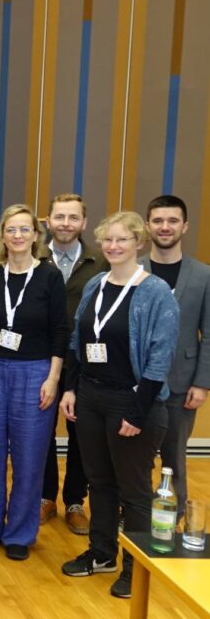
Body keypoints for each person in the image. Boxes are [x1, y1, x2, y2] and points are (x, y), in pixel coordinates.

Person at [59, 211, 178, 599]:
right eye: (108, 240)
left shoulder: (155, 291)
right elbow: (78, 339)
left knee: (135, 490)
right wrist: (72, 388)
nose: (113, 246)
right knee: (100, 482)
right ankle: (102, 552)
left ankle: (135, 567)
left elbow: (160, 358)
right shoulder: (96, 283)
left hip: (133, 400)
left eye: (122, 240)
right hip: (91, 396)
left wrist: (138, 410)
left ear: (139, 243)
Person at [0, 204, 68, 561]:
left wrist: (54, 378)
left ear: (36, 235)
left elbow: (60, 331)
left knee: (29, 457)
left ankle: (20, 533)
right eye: (11, 230)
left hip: (36, 372)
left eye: (25, 229)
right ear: (1, 235)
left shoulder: (49, 277)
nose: (18, 236)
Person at [39, 193, 106, 535]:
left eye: (73, 217)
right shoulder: (34, 257)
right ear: (47, 221)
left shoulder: (100, 261)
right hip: (40, 360)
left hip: (84, 364)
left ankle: (76, 501)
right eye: (59, 217)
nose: (66, 223)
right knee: (41, 433)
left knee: (83, 434)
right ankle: (45, 497)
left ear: (84, 223)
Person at [142, 195, 210, 515]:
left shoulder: (203, 275)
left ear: (185, 226)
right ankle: (135, 516)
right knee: (134, 458)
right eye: (157, 221)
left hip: (183, 383)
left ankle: (175, 519)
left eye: (172, 221)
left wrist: (202, 382)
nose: (164, 227)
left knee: (175, 459)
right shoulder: (133, 269)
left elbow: (208, 334)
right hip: (136, 382)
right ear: (147, 226)